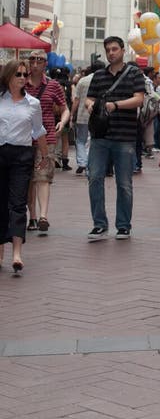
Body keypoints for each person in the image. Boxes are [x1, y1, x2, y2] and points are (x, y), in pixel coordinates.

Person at [85, 36, 145, 241]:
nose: (111, 53)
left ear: (122, 50)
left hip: (125, 136)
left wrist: (116, 105)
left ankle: (123, 225)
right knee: (94, 178)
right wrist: (90, 105)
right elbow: (89, 97)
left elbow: (139, 99)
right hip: (100, 136)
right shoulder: (99, 75)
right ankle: (99, 224)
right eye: (108, 50)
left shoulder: (134, 73)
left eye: (114, 49)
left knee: (124, 183)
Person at [0, 59, 48, 273]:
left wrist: (45, 156)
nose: (22, 78)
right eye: (18, 74)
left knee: (18, 203)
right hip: (1, 152)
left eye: (24, 74)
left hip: (22, 155)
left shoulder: (33, 104)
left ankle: (17, 253)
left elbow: (38, 131)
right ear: (8, 76)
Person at [25, 49, 70, 236]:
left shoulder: (53, 86)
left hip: (47, 137)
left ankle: (43, 216)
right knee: (28, 180)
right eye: (32, 60)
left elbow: (64, 108)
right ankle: (32, 216)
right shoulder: (20, 82)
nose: (35, 64)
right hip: (23, 138)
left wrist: (63, 121)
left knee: (43, 177)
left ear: (46, 64)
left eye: (40, 60)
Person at [71, 64, 100, 175]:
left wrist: (72, 114)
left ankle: (82, 162)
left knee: (80, 140)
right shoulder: (101, 81)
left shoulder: (82, 81)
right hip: (95, 116)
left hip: (82, 116)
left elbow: (76, 100)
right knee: (91, 141)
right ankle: (89, 165)